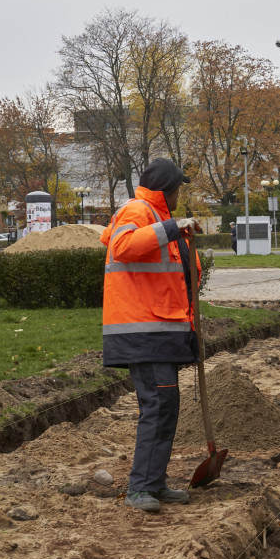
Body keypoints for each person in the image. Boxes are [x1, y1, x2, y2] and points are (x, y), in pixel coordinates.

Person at [101, 158, 202, 513]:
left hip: (158, 331)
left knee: (166, 407)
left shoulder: (155, 216)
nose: (180, 196)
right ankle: (140, 487)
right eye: (179, 189)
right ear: (168, 190)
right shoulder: (138, 209)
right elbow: (123, 246)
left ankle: (154, 483)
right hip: (142, 332)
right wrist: (174, 227)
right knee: (157, 406)